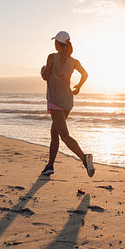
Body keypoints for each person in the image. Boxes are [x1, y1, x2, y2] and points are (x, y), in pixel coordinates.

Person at [40, 31, 95, 177]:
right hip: (67, 101)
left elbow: (45, 77)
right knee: (54, 133)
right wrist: (79, 86)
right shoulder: (74, 61)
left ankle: (84, 158)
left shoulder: (51, 57)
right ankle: (50, 166)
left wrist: (42, 71)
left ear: (58, 44)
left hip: (55, 101)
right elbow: (85, 74)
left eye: (55, 42)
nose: (54, 44)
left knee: (63, 135)